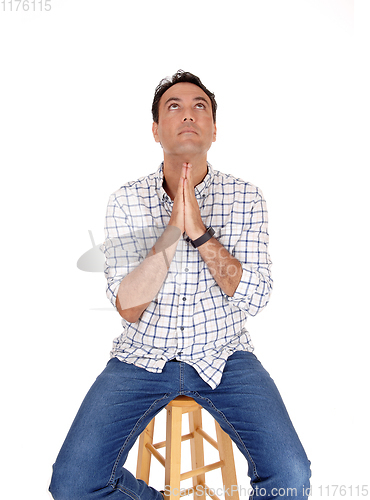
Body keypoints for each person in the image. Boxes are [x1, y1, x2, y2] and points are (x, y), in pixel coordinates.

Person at [49, 70, 311, 500]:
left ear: (213, 128)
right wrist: (174, 229)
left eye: (199, 107)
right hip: (141, 358)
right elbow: (129, 307)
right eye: (173, 106)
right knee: (74, 485)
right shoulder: (126, 199)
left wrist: (201, 232)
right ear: (156, 130)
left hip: (225, 356)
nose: (187, 114)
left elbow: (257, 295)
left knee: (291, 477)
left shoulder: (247, 197)